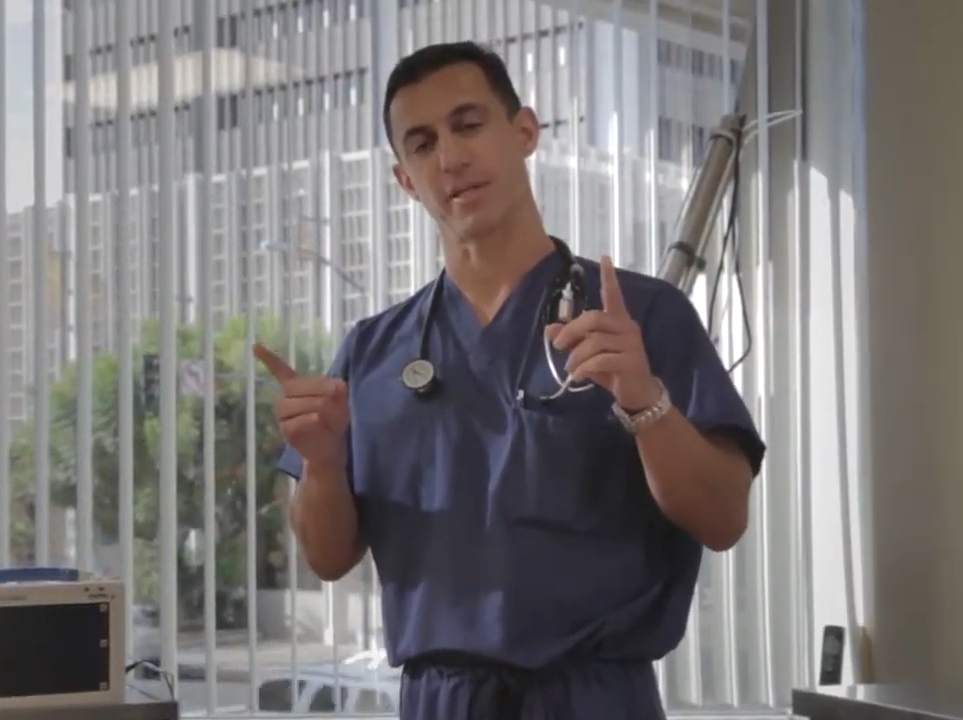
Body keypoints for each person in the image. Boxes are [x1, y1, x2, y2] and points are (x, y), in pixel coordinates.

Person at [254, 41, 765, 719]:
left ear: (524, 132)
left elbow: (723, 517)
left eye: (468, 125)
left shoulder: (641, 318)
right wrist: (321, 466)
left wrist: (645, 402)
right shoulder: (372, 354)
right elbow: (326, 556)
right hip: (440, 702)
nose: (451, 157)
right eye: (422, 143)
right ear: (406, 179)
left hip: (595, 699)